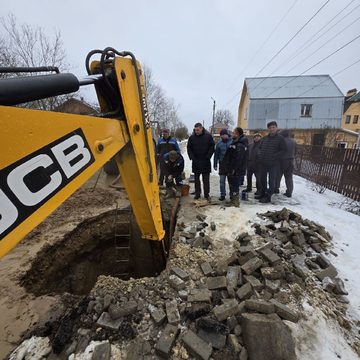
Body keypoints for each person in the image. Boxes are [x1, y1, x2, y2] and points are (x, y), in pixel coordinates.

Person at [256, 121, 286, 203]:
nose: (272, 129)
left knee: (271, 181)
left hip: (273, 164)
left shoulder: (280, 139)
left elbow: (283, 150)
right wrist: (260, 155)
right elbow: (259, 148)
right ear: (268, 129)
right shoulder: (265, 138)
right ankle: (262, 193)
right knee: (262, 179)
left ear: (276, 128)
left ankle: (268, 197)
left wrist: (274, 156)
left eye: (273, 127)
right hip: (263, 163)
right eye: (270, 128)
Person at [187, 123, 215, 201]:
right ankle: (197, 193)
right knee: (196, 179)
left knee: (206, 179)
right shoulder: (192, 138)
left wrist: (208, 156)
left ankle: (206, 194)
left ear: (201, 128)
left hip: (205, 161)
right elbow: (189, 148)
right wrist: (192, 157)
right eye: (195, 130)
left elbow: (212, 147)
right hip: (196, 161)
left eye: (198, 130)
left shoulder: (208, 136)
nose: (196, 131)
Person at [222, 127, 247, 207]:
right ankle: (232, 200)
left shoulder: (240, 145)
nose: (232, 134)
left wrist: (233, 169)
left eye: (233, 133)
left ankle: (235, 202)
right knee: (232, 185)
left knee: (235, 185)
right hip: (231, 169)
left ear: (237, 134)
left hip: (236, 170)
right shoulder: (234, 143)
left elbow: (238, 160)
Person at [274, 130, 296, 197]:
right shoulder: (293, 141)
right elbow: (295, 152)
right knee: (289, 177)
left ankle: (276, 189)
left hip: (281, 161)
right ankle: (289, 192)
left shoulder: (281, 141)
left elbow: (277, 151)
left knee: (278, 176)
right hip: (290, 161)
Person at [213, 129, 232, 201]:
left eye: (224, 135)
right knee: (222, 181)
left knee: (230, 181)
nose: (223, 136)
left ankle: (231, 194)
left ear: (227, 135)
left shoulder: (232, 142)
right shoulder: (219, 143)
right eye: (221, 135)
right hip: (222, 165)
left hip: (230, 165)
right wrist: (215, 164)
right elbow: (216, 155)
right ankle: (222, 194)